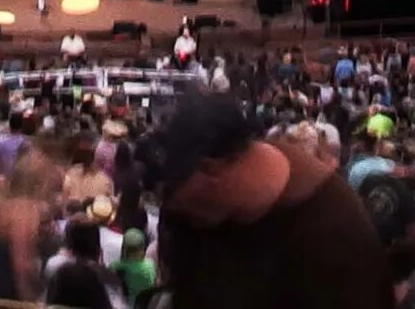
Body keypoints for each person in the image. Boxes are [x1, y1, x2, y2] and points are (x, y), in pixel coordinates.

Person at [143, 92, 390, 309]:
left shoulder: (337, 233)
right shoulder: (192, 219)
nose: (180, 212)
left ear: (210, 169)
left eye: (178, 200)